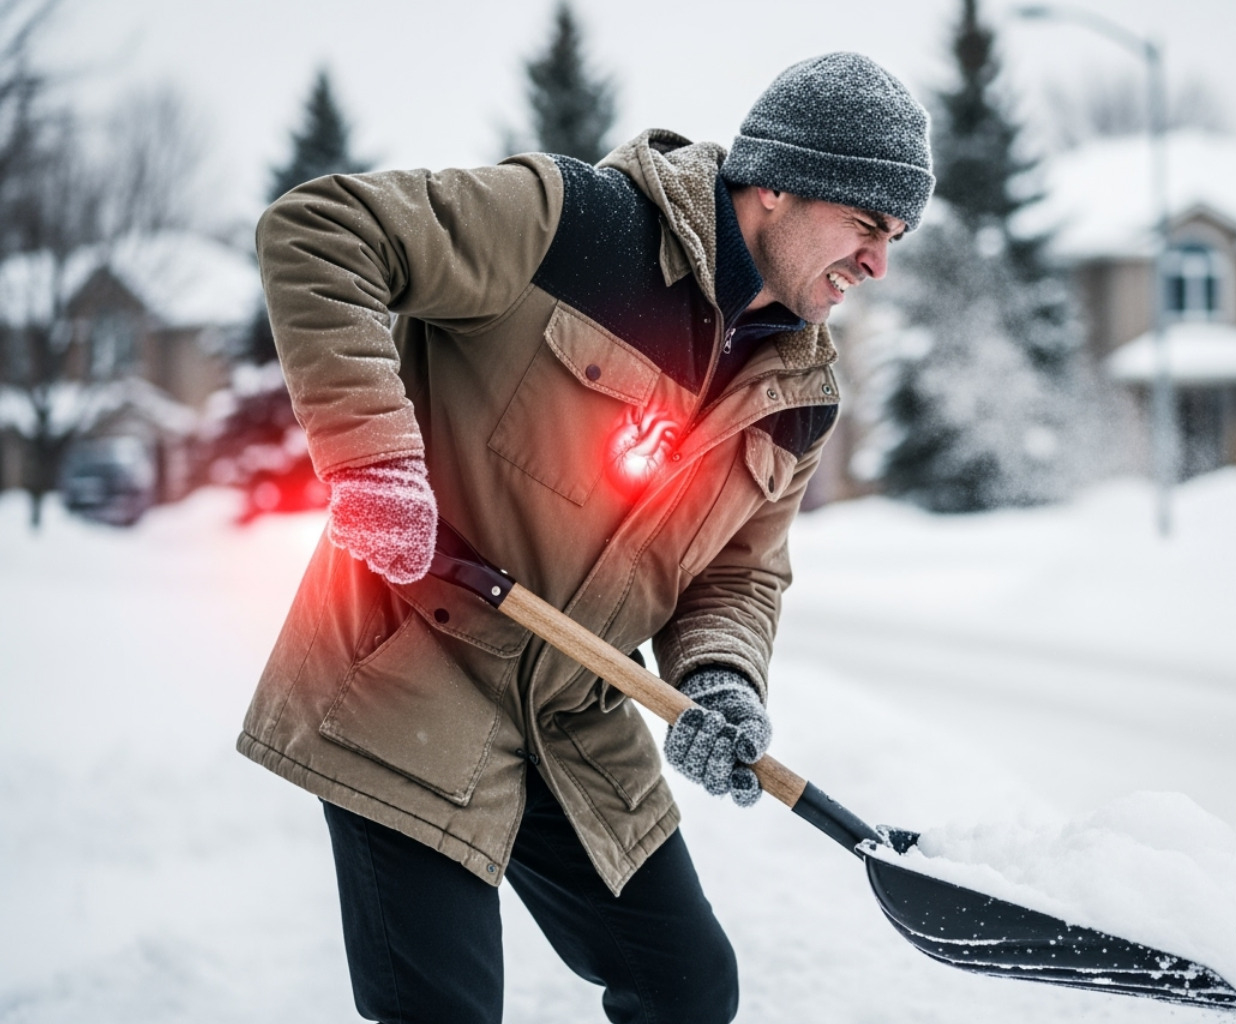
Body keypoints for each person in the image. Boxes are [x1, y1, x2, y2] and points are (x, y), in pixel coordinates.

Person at [237, 51, 932, 1024]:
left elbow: (740, 572)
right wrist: (373, 465)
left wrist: (720, 680)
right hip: (409, 669)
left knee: (688, 988)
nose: (880, 263)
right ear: (778, 184)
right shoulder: (576, 226)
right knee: (445, 1007)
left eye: (896, 236)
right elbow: (321, 233)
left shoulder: (801, 393)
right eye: (867, 225)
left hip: (568, 711)